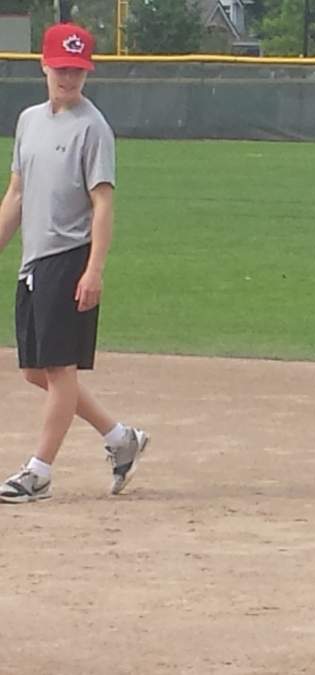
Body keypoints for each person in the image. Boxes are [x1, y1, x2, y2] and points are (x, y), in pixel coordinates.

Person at [0, 23, 149, 504]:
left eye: (78, 70)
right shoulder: (28, 121)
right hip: (34, 261)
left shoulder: (93, 127)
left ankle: (39, 472)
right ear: (44, 65)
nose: (69, 78)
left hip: (69, 258)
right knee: (35, 371)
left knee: (60, 370)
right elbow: (16, 194)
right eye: (62, 68)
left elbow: (102, 203)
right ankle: (119, 437)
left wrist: (94, 268)